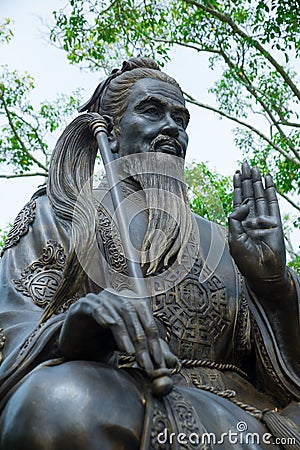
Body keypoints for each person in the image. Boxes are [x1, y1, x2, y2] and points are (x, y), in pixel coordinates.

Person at [0, 57, 299, 450]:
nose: (172, 127)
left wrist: (273, 284)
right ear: (110, 133)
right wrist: (72, 329)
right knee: (55, 403)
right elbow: (13, 328)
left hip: (237, 416)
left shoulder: (222, 242)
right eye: (152, 111)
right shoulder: (64, 214)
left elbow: (283, 376)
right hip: (115, 392)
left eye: (181, 118)